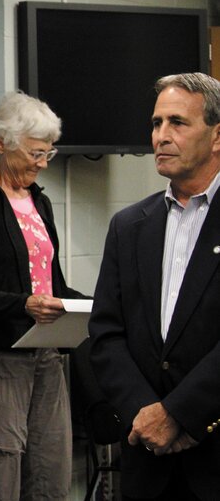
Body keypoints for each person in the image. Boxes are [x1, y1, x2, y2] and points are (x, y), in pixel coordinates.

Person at [0, 91, 86, 501]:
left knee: (51, 471)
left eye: (48, 154)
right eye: (35, 153)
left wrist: (94, 303)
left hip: (44, 352)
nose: (42, 164)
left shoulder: (38, 201)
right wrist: (22, 304)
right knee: (1, 474)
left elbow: (51, 282)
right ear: (2, 144)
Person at [89, 72, 220, 501]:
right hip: (147, 460)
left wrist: (180, 414)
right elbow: (106, 336)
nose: (161, 136)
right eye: (156, 123)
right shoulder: (129, 226)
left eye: (177, 123)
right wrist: (147, 415)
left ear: (217, 137)